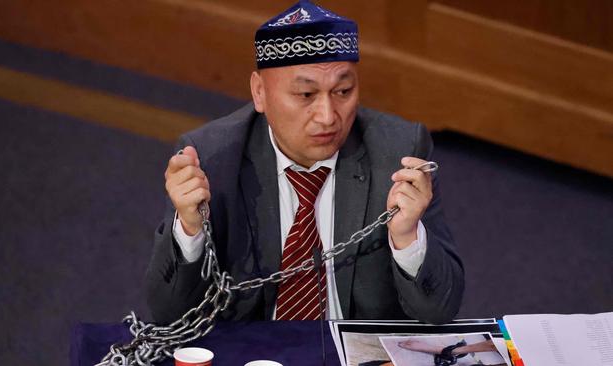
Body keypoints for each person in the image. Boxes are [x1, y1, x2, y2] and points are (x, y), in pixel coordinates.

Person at [145, 0, 464, 325]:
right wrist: (189, 229)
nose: (328, 117)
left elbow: (440, 311)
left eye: (343, 91)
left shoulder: (398, 151)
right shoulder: (212, 158)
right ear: (259, 93)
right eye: (306, 95)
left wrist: (407, 236)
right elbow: (170, 316)